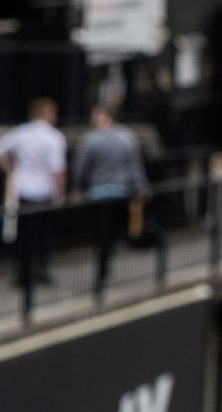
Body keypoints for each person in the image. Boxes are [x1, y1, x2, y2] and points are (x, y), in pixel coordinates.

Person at [0, 96, 67, 317]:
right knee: (43, 235)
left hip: (22, 190)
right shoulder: (54, 138)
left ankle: (22, 274)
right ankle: (40, 271)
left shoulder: (21, 133)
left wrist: (10, 168)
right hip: (44, 192)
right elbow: (57, 170)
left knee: (22, 235)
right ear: (46, 114)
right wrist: (60, 191)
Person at [71, 103, 150, 300]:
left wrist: (78, 188)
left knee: (101, 234)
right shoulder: (127, 137)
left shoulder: (90, 140)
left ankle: (102, 272)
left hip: (98, 194)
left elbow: (80, 168)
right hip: (120, 192)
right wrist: (141, 187)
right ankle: (106, 267)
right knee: (113, 232)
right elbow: (135, 166)